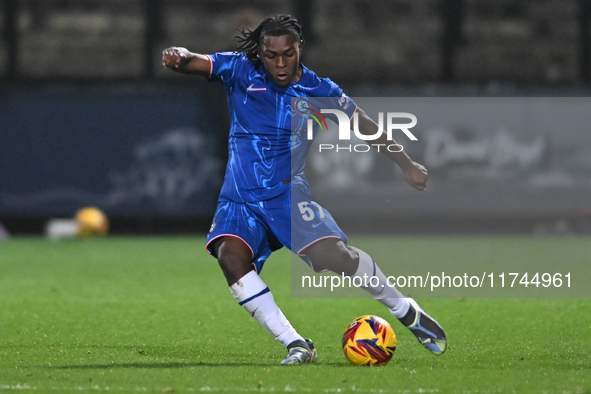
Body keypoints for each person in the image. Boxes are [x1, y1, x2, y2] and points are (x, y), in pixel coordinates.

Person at [162, 14, 447, 365]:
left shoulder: (319, 89)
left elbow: (365, 125)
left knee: (337, 257)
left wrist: (406, 164)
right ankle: (296, 343)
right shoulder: (238, 70)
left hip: (287, 194)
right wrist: (177, 55)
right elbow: (194, 61)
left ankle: (405, 309)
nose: (279, 64)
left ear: (300, 49)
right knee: (230, 258)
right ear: (260, 52)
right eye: (271, 55)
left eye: (288, 54)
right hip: (240, 197)